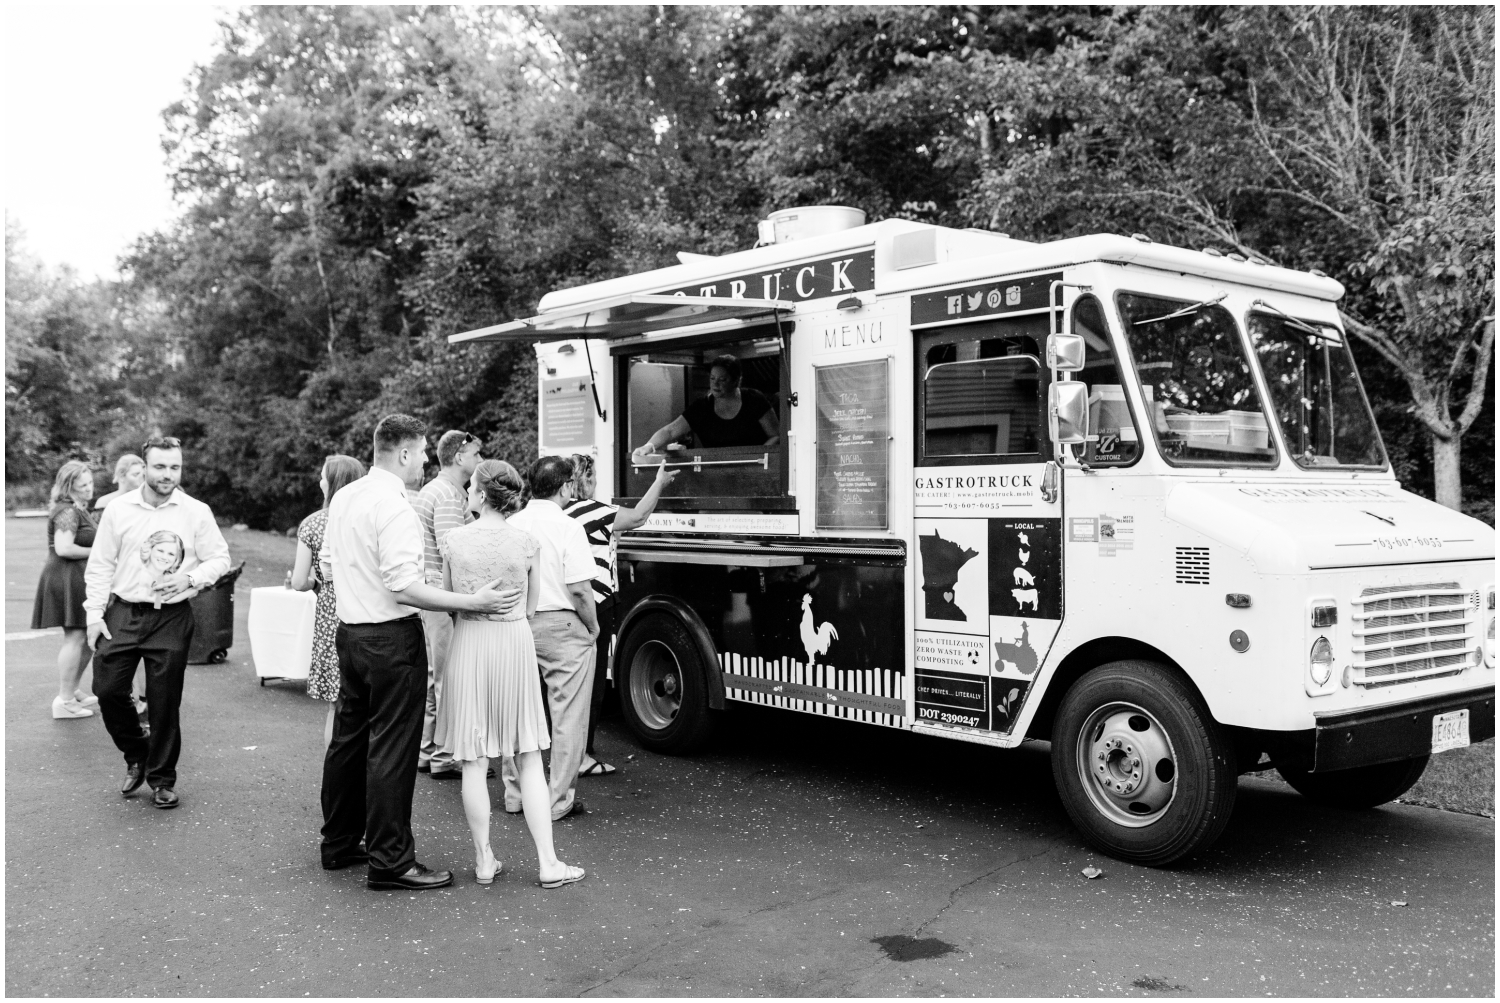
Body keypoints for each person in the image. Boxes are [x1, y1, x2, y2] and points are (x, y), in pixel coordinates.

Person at [317, 413, 521, 892]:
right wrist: (473, 602)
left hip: (350, 634)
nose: (427, 460)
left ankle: (340, 842)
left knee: (348, 742)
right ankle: (390, 862)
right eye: (424, 451)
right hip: (390, 640)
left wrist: (355, 596)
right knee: (391, 748)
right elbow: (405, 586)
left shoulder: (345, 497)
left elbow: (327, 565)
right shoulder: (395, 507)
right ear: (404, 453)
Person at [434, 460, 586, 888]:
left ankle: (484, 861)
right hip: (513, 643)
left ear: (481, 495)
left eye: (470, 489)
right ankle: (548, 863)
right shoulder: (526, 541)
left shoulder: (454, 541)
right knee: (528, 756)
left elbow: (451, 601)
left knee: (473, 759)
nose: (466, 493)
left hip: (470, 643)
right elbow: (532, 604)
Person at [84, 436, 232, 810]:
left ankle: (162, 779)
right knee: (107, 689)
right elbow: (100, 564)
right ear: (145, 468)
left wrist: (191, 579)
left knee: (165, 702)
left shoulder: (196, 511)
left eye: (175, 467)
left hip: (171, 616)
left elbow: (219, 558)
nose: (168, 474)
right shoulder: (119, 510)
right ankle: (137, 752)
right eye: (161, 467)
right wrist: (93, 614)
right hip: (124, 611)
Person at [563, 453, 677, 776]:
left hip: (570, 602)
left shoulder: (563, 513)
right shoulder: (595, 511)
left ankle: (569, 749)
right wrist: (659, 482)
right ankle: (582, 754)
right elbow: (639, 516)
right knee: (594, 680)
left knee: (571, 680)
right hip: (597, 601)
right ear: (587, 480)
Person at [503, 455, 598, 822]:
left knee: (515, 712)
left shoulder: (511, 523)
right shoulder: (569, 527)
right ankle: (558, 801)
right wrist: (592, 628)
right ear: (566, 488)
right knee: (568, 715)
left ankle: (515, 794)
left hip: (515, 624)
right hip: (561, 626)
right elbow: (580, 590)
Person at [410, 430, 484, 779]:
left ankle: (426, 752)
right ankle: (444, 757)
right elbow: (452, 550)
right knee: (448, 678)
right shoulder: (448, 495)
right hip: (441, 598)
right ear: (459, 457)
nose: (480, 461)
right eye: (477, 455)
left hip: (432, 598)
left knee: (434, 677)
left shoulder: (440, 490)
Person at [289, 454, 367, 747]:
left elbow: (299, 582)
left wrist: (313, 581)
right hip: (367, 612)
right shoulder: (367, 519)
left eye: (323, 476)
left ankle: (336, 776)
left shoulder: (313, 524)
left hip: (331, 619)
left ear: (332, 483)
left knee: (337, 705)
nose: (319, 481)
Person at [32, 460, 101, 719]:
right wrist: (100, 552)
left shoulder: (74, 509)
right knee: (76, 637)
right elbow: (64, 548)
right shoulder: (67, 512)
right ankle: (64, 700)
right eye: (83, 485)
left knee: (83, 637)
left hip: (74, 576)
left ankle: (71, 691)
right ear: (69, 486)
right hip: (67, 577)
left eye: (90, 483)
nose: (89, 489)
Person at [631, 355, 780, 458]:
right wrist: (649, 446)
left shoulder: (754, 399)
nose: (715, 384)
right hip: (717, 473)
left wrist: (757, 458)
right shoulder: (702, 408)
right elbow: (670, 431)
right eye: (712, 378)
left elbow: (776, 435)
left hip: (757, 467)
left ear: (736, 381)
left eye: (722, 379)